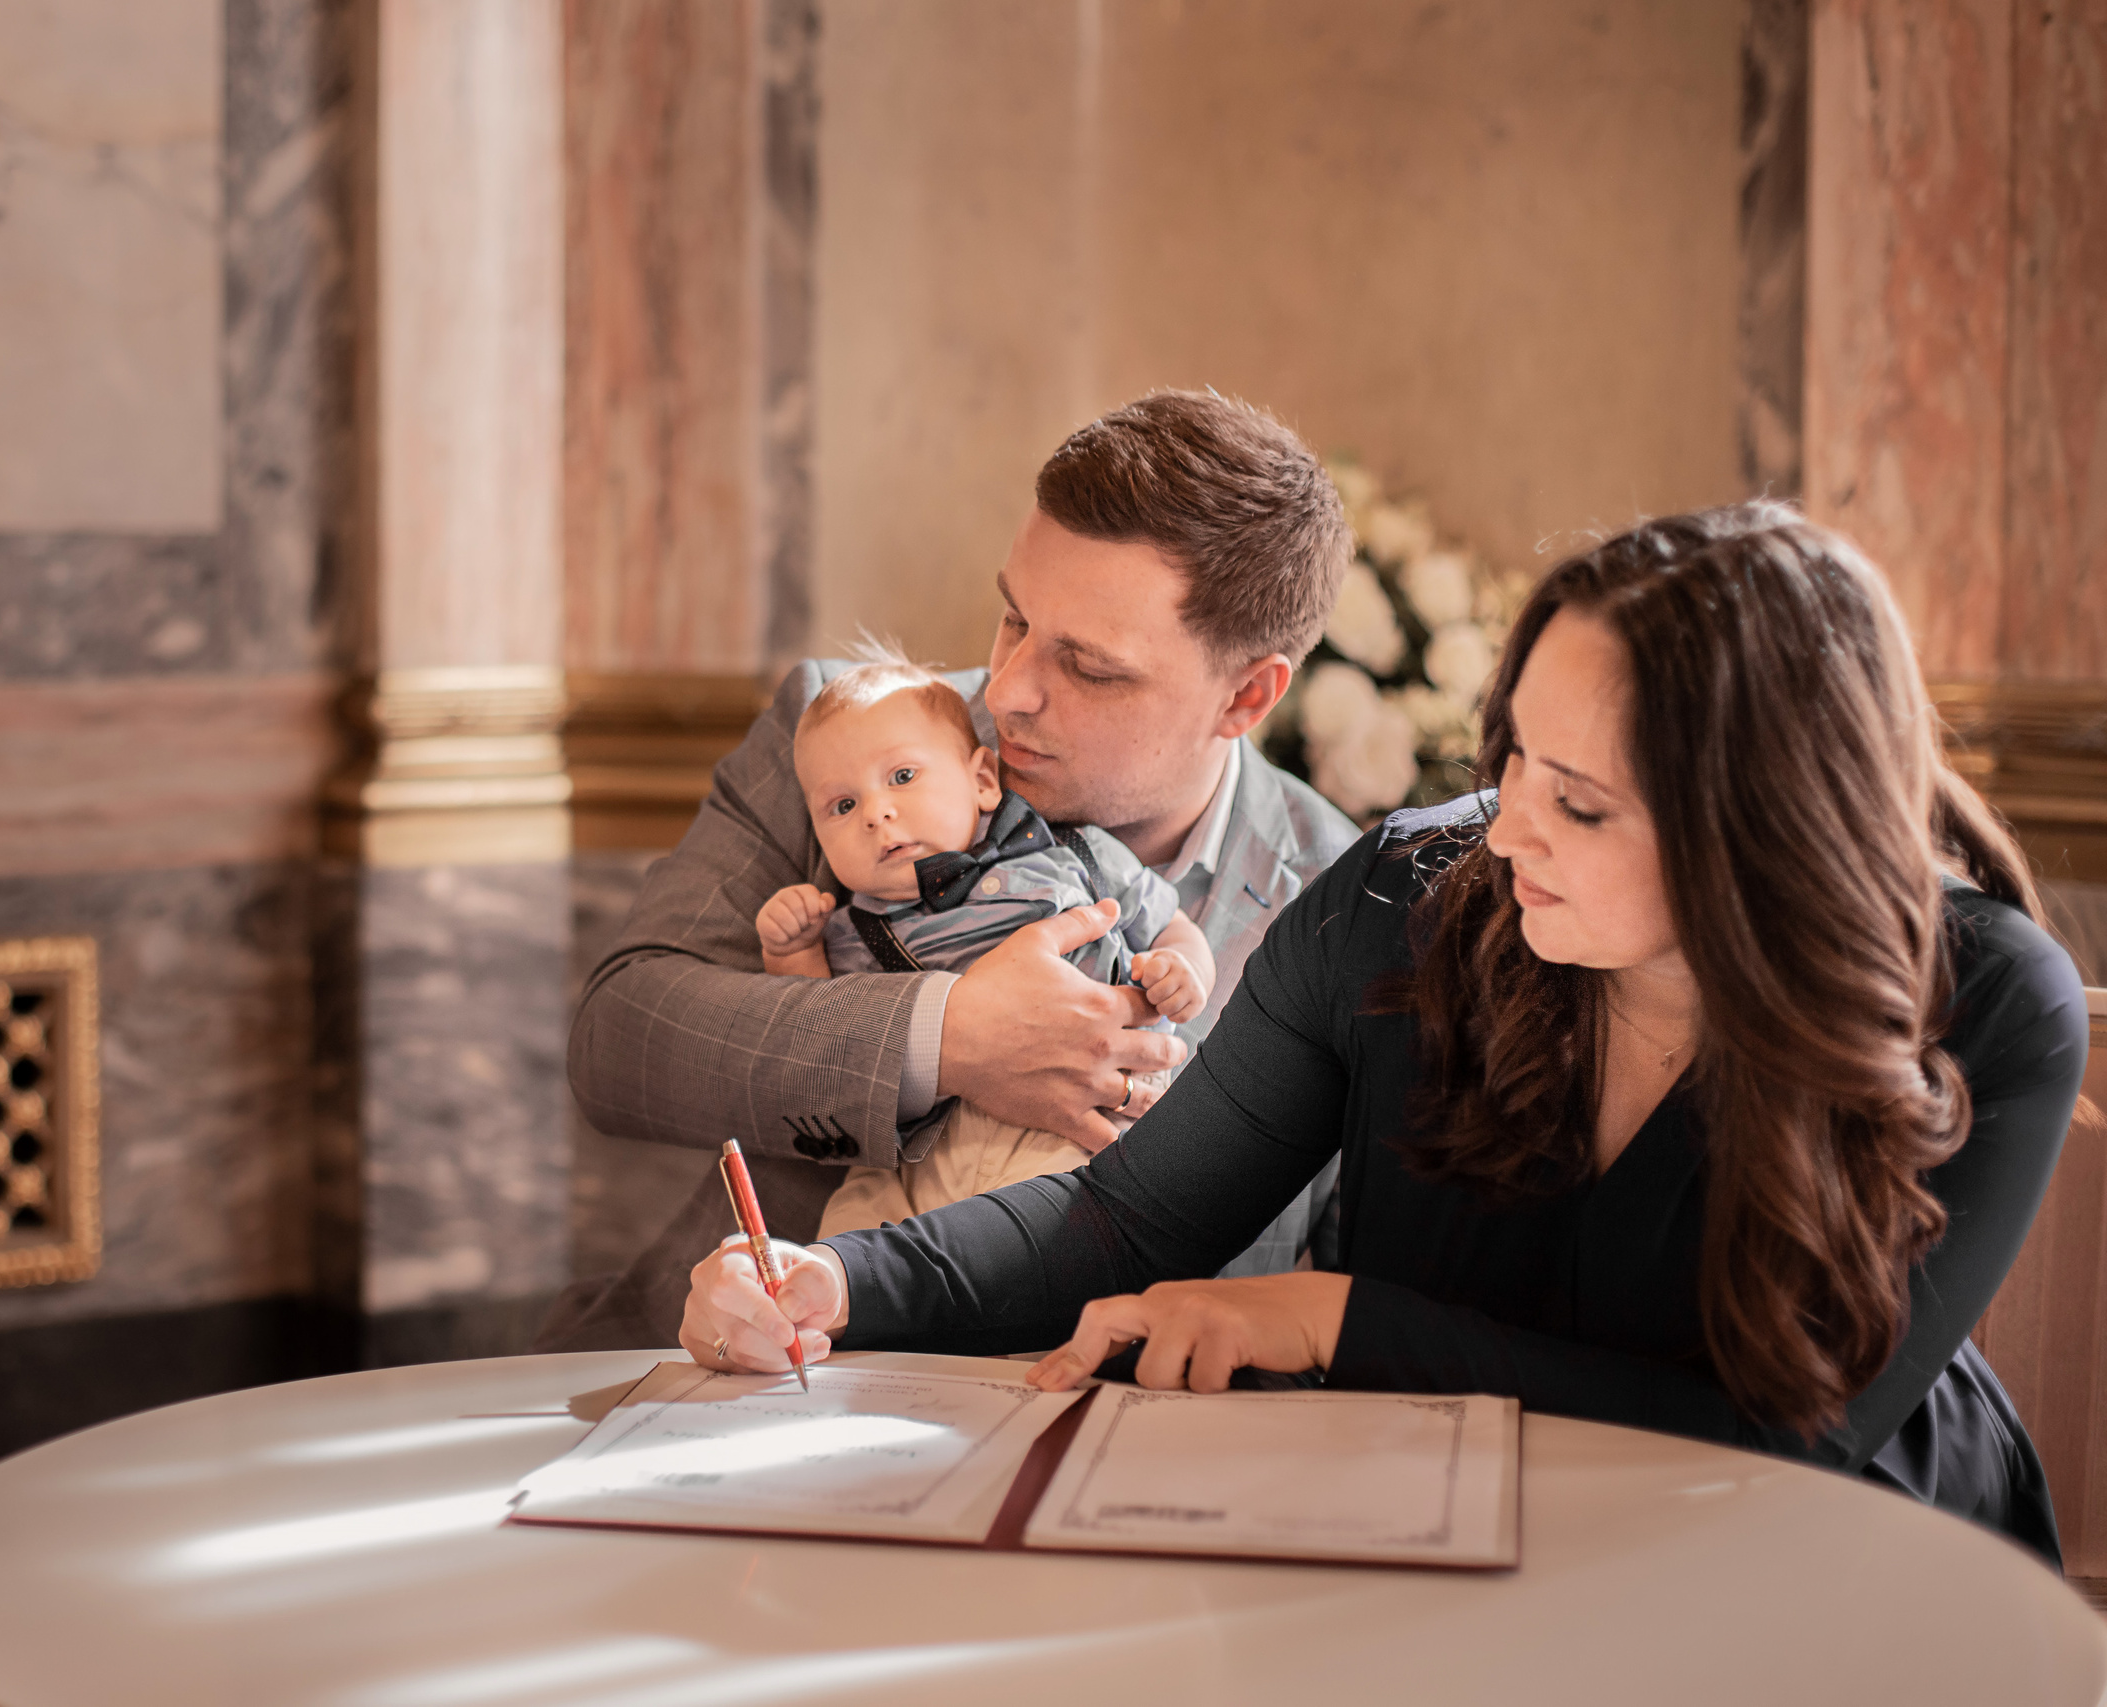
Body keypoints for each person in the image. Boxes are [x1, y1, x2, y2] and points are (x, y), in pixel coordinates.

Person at [682, 502, 2091, 1559]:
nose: (1512, 828)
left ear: (1766, 833)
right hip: (1457, 1551)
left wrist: (1340, 1320)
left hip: (1847, 1569)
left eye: (1582, 802)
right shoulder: (1404, 899)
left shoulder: (1983, 999)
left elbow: (1789, 1437)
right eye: (1515, 758)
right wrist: (839, 1278)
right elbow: (1125, 1220)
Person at [538, 390, 1361, 1353]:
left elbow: (1350, 1283)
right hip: (742, 1381)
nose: (1005, 692)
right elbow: (622, 1036)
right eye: (1013, 619)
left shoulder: (1345, 903)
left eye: (1089, 667)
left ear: (1246, 695)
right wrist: (945, 1036)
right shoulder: (849, 740)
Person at [756, 644, 1214, 1235]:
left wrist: (1182, 969)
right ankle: (827, 1301)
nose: (877, 814)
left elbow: (1171, 923)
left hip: (1078, 1119)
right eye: (843, 805)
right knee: (855, 1223)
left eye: (901, 776)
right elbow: (820, 1036)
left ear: (981, 781)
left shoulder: (1075, 857)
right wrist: (792, 952)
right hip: (930, 1148)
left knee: (1055, 1233)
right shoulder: (857, 928)